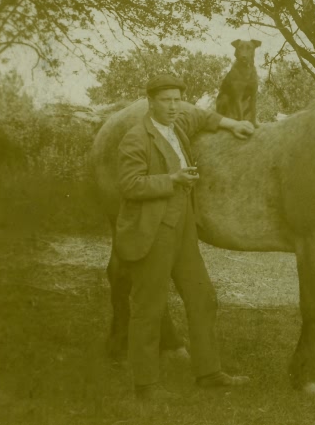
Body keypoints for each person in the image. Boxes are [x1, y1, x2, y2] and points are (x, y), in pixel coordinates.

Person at [115, 74, 255, 401]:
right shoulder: (136, 138)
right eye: (166, 100)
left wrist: (231, 124)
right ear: (150, 102)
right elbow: (130, 186)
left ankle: (208, 373)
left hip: (183, 230)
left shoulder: (179, 125)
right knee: (148, 308)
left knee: (203, 297)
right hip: (152, 231)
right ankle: (146, 386)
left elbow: (203, 115)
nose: (174, 105)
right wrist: (173, 179)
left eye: (178, 99)